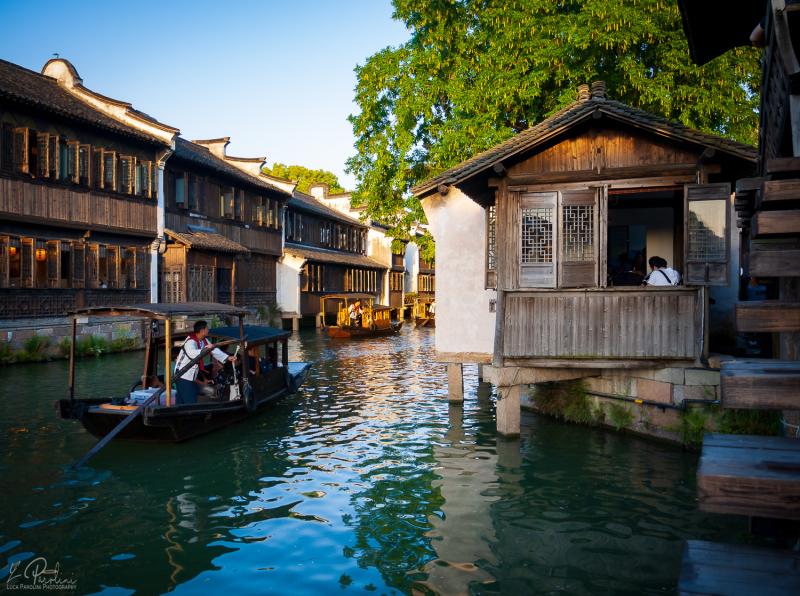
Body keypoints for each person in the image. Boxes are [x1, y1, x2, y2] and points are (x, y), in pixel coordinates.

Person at [174, 320, 236, 405]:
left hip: (190, 376)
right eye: (207, 328)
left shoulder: (204, 341)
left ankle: (179, 413)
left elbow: (214, 350)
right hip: (182, 375)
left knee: (182, 398)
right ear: (202, 331)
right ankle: (189, 415)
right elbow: (192, 354)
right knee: (190, 400)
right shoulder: (190, 342)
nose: (208, 330)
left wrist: (228, 357)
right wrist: (206, 349)